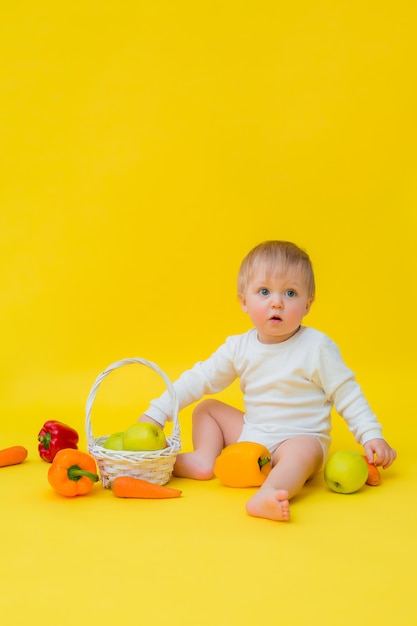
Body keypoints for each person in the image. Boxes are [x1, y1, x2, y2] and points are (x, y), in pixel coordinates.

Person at [139, 240, 396, 521]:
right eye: (264, 291)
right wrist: (157, 413)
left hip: (298, 437)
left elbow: (346, 393)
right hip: (252, 434)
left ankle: (270, 492)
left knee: (304, 451)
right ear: (244, 301)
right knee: (207, 408)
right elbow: (197, 379)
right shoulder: (238, 347)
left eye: (290, 292)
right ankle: (203, 459)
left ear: (308, 304)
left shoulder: (316, 347)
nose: (277, 302)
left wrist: (371, 434)